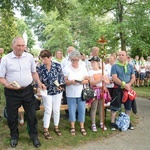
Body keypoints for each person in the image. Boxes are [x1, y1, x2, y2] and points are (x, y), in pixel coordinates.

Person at [0, 37, 46, 148]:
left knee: (32, 115)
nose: (21, 48)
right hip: (12, 93)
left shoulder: (29, 57)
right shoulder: (6, 59)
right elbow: (1, 77)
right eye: (18, 45)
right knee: (12, 116)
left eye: (22, 45)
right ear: (13, 46)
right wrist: (7, 85)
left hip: (27, 91)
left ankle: (34, 136)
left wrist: (39, 83)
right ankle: (14, 136)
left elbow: (34, 73)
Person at [37, 50, 65, 139]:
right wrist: (40, 85)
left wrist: (60, 86)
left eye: (45, 59)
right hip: (46, 92)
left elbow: (61, 78)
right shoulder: (40, 67)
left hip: (57, 91)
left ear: (50, 58)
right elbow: (37, 80)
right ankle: (46, 129)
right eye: (42, 59)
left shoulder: (57, 66)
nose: (43, 61)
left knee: (56, 110)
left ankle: (56, 127)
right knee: (48, 110)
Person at [63, 50, 89, 136]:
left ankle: (82, 126)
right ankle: (72, 127)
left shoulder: (83, 67)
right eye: (73, 59)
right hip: (70, 92)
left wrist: (81, 82)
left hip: (81, 92)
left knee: (82, 109)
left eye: (76, 59)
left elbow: (88, 80)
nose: (75, 61)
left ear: (79, 59)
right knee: (72, 110)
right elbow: (65, 81)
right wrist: (71, 82)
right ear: (70, 59)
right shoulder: (66, 67)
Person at [110, 50, 135, 131]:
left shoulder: (130, 66)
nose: (120, 56)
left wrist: (129, 85)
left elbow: (133, 77)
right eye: (119, 55)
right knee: (115, 106)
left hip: (128, 89)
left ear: (126, 56)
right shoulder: (115, 66)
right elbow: (114, 78)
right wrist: (124, 84)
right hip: (118, 89)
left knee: (128, 107)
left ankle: (127, 122)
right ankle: (112, 122)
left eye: (122, 55)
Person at [88, 56, 110, 131]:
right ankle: (93, 124)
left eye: (93, 62)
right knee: (94, 107)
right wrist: (100, 79)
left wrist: (104, 80)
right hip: (95, 90)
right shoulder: (90, 72)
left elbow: (108, 81)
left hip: (102, 90)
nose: (92, 64)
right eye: (91, 62)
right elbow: (92, 82)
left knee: (101, 107)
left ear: (98, 63)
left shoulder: (103, 71)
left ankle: (101, 122)